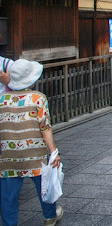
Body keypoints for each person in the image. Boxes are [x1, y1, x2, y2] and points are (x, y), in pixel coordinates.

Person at [0, 59, 64, 226]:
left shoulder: (1, 99)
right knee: (45, 188)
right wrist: (54, 152)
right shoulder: (38, 98)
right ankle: (50, 217)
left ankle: (9, 223)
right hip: (35, 153)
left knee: (8, 195)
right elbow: (45, 127)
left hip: (9, 155)